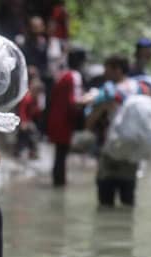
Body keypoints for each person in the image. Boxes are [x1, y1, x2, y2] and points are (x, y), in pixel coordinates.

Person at [85, 55, 151, 207]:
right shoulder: (142, 89)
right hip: (132, 153)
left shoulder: (108, 91)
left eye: (107, 70)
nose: (105, 74)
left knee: (105, 201)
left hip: (109, 151)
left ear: (118, 70)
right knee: (128, 200)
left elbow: (89, 124)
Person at [46, 47, 88, 186]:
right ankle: (59, 184)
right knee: (61, 155)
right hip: (64, 121)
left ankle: (58, 183)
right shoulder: (74, 76)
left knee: (59, 154)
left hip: (55, 118)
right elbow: (74, 101)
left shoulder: (62, 74)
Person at [16, 77, 44, 160]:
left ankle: (32, 152)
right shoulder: (27, 98)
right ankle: (19, 151)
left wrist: (39, 107)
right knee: (23, 135)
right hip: (22, 121)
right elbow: (22, 111)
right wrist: (23, 122)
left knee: (33, 134)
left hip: (29, 121)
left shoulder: (35, 99)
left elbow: (36, 113)